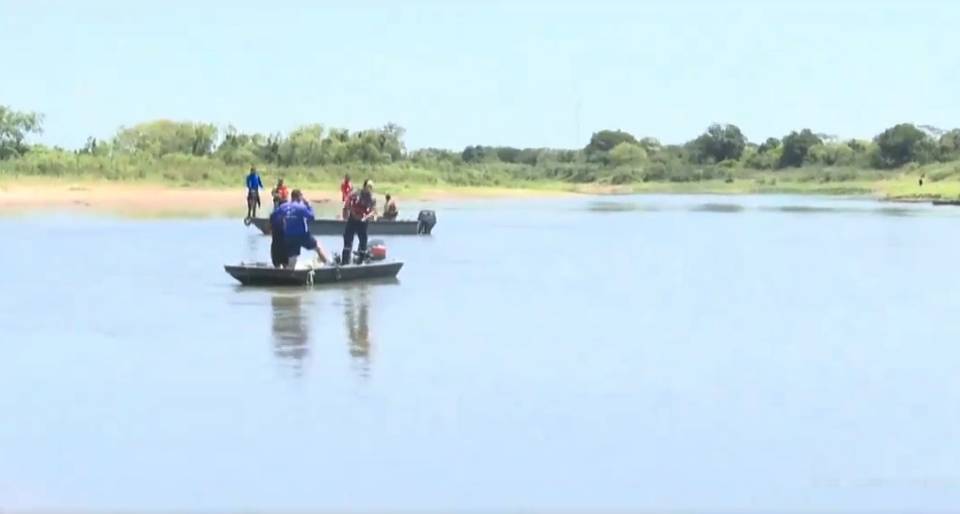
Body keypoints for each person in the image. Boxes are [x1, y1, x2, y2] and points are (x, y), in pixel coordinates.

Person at [281, 189, 330, 268]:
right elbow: (311, 217)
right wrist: (309, 205)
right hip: (302, 235)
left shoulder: (283, 206)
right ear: (299, 197)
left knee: (292, 258)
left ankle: (287, 272)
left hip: (288, 236)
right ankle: (328, 265)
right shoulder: (301, 207)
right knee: (318, 246)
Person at [342, 179, 378, 264]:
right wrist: (351, 212)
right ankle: (345, 261)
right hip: (353, 219)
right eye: (368, 187)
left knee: (363, 240)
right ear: (364, 186)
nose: (369, 189)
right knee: (348, 239)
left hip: (363, 221)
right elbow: (347, 203)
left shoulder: (372, 198)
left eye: (371, 188)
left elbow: (373, 211)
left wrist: (367, 217)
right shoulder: (356, 194)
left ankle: (360, 261)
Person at [269, 197, 288, 268]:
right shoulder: (286, 214)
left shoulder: (273, 214)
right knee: (285, 260)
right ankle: (285, 269)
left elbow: (270, 228)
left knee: (276, 258)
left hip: (276, 238)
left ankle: (278, 268)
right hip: (283, 238)